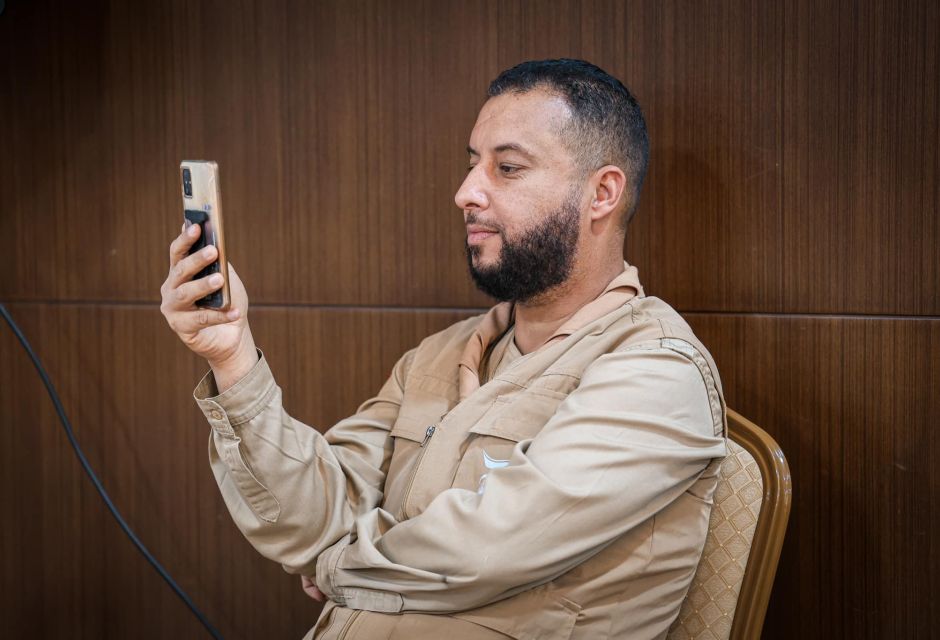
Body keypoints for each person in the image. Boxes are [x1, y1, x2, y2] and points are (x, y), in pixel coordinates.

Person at [160, 59, 727, 640]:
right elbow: (310, 520)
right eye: (472, 163)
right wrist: (232, 358)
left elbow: (488, 550)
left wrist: (334, 566)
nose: (465, 193)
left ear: (601, 193)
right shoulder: (436, 356)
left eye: (508, 168)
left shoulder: (656, 372)